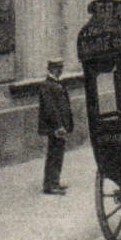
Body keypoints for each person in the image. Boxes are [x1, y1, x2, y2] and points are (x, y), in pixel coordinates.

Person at [38, 59, 74, 195]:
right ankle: (50, 185)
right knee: (54, 154)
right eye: (59, 68)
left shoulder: (56, 83)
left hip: (59, 127)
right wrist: (58, 126)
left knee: (58, 154)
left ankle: (54, 182)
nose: (61, 70)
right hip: (55, 128)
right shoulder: (47, 85)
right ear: (53, 69)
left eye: (61, 67)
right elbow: (50, 109)